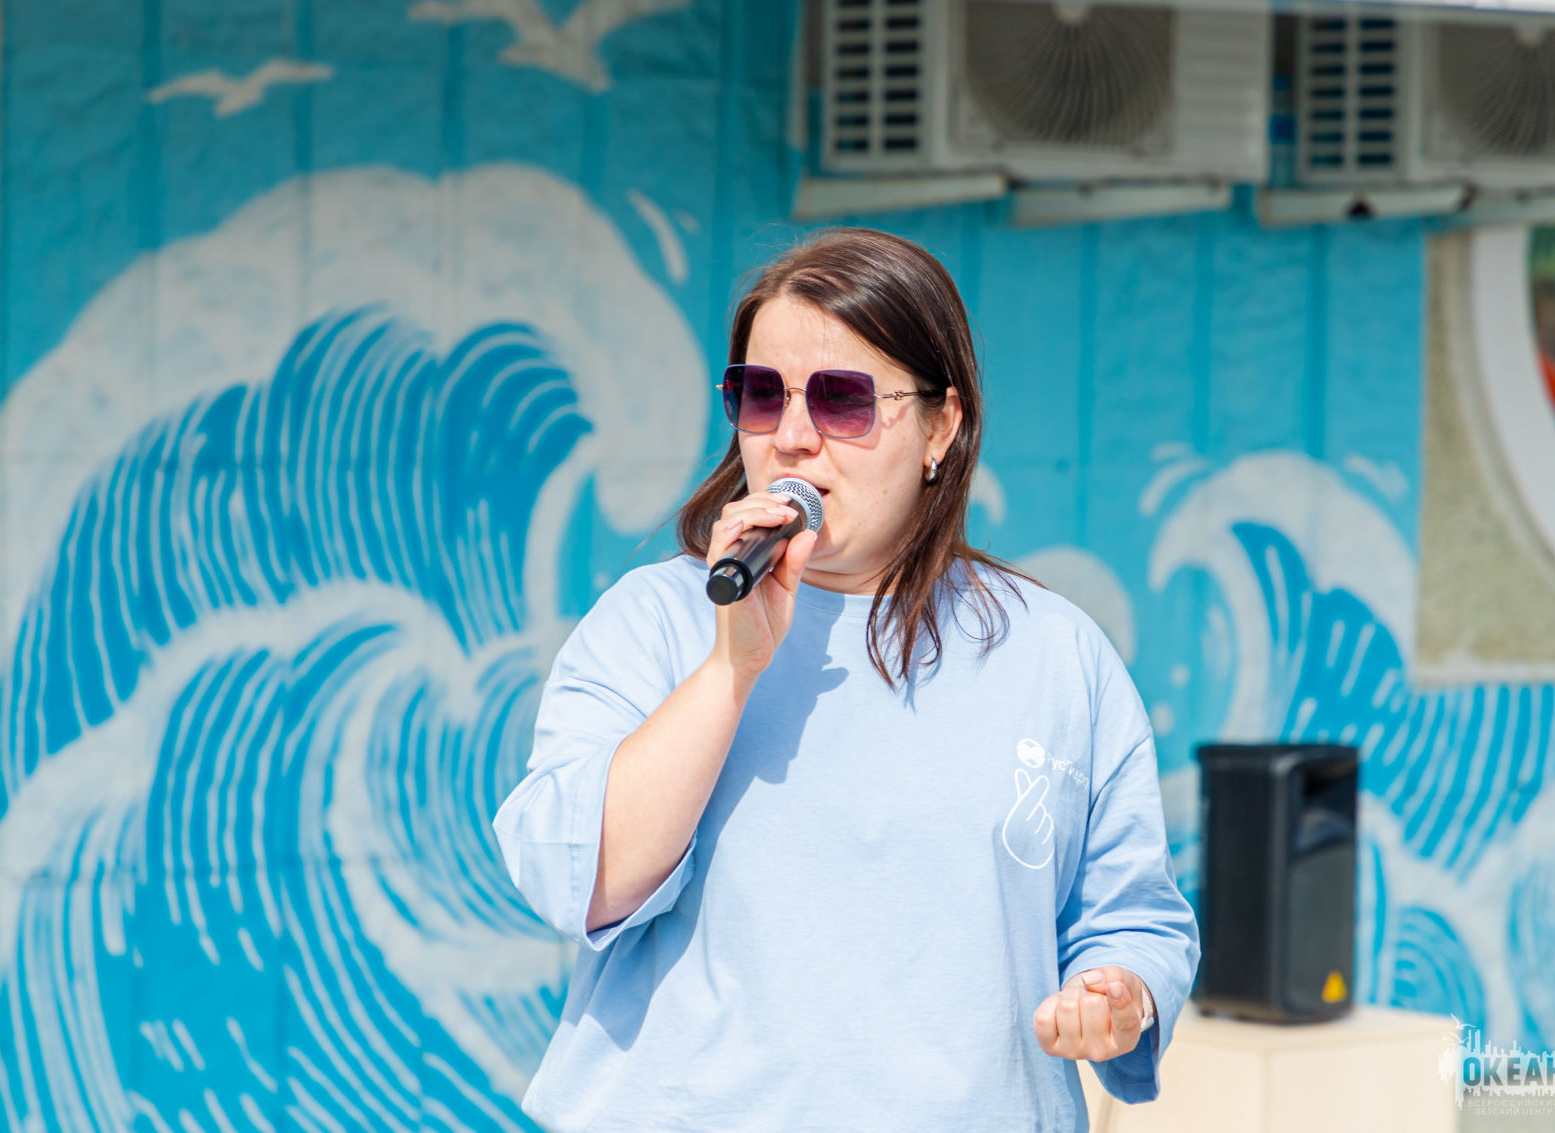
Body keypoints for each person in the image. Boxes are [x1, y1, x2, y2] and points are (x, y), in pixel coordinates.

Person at [492, 227, 1200, 1132]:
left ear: (941, 426)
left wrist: (1119, 992)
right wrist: (731, 668)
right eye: (761, 395)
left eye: (842, 400)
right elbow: (584, 878)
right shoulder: (657, 621)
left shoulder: (1058, 654)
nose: (792, 438)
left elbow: (1134, 917)